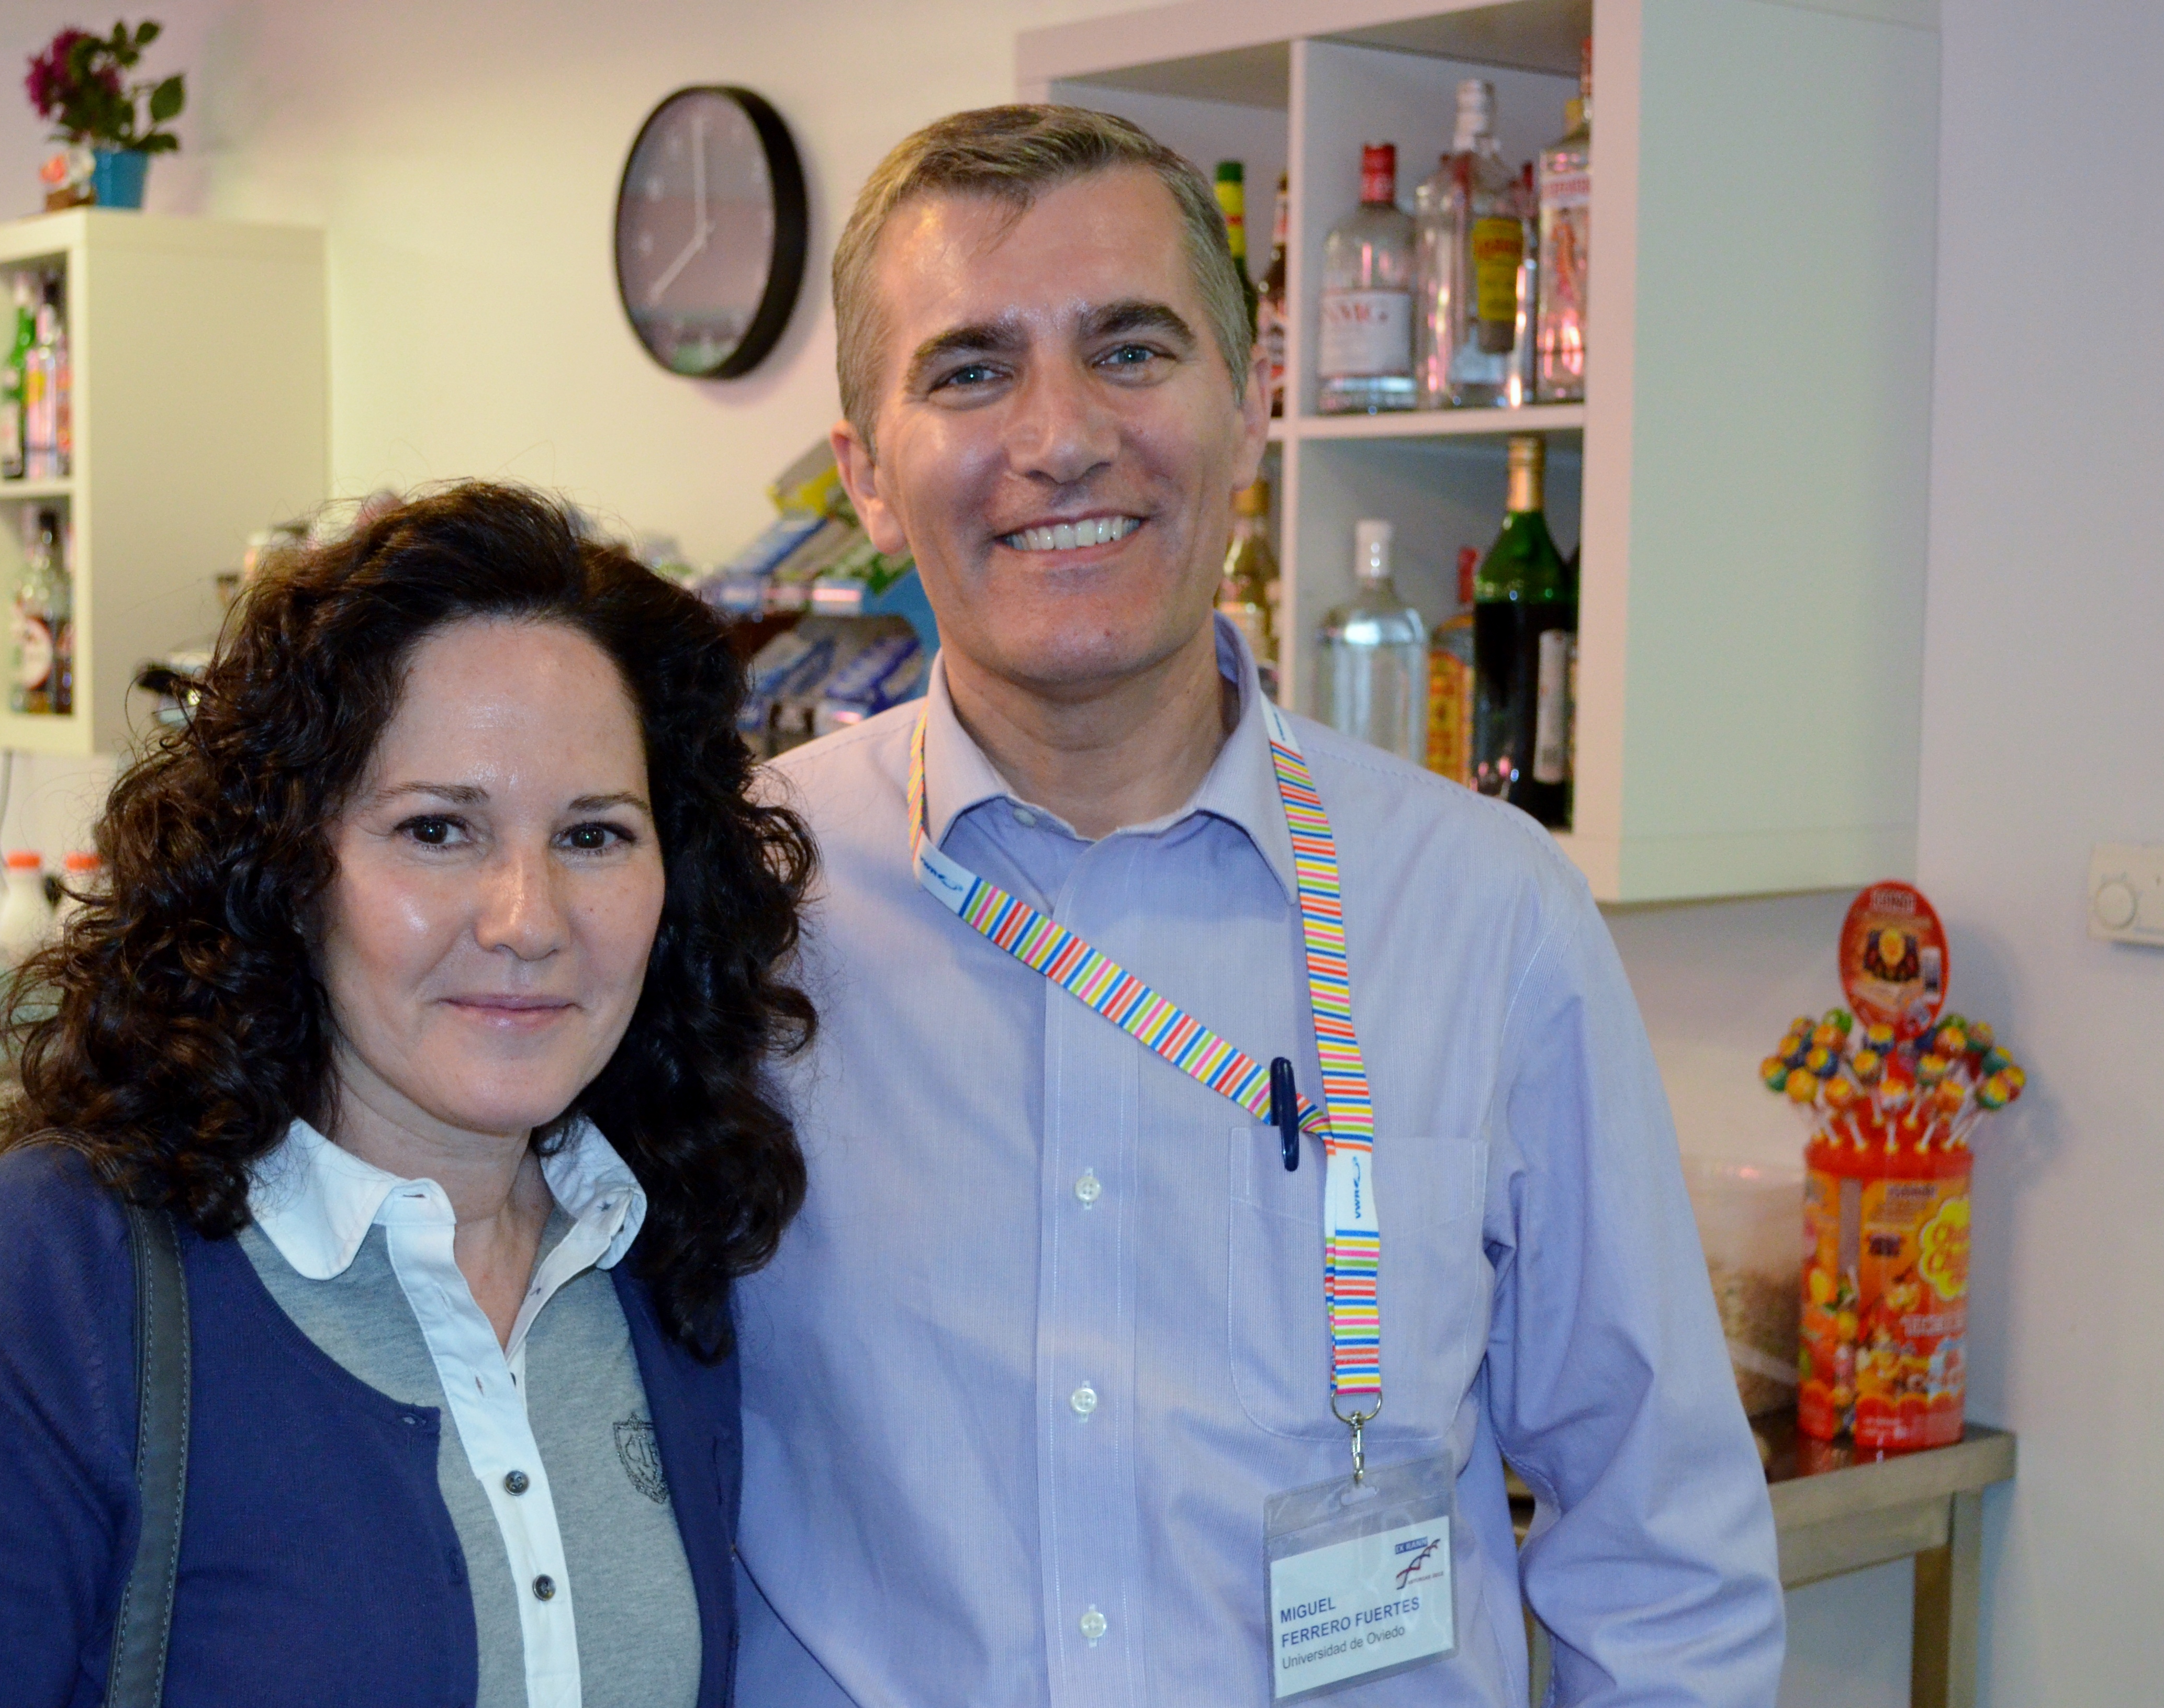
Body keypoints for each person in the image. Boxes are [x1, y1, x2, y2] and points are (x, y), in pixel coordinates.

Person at [734, 106, 1786, 1705]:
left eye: (1131, 350)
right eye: (971, 371)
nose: (1061, 436)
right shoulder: (736, 905)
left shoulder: (1486, 916)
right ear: (867, 478)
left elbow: (1662, 1557)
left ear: (1251, 408)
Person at [0, 483, 816, 1708]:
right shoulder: (46, 1279)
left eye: (594, 836)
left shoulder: (668, 1259)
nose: (528, 921)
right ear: (289, 867)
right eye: (437, 831)